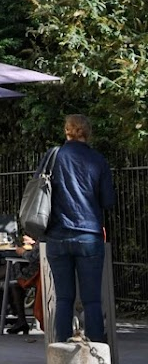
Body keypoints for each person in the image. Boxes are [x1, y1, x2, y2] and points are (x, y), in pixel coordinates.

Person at [44, 113, 115, 345]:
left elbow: (39, 193)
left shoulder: (53, 157)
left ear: (66, 131)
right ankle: (96, 350)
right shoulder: (98, 160)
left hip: (57, 234)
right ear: (88, 132)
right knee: (92, 300)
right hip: (88, 234)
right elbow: (107, 201)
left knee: (64, 298)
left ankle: (60, 354)